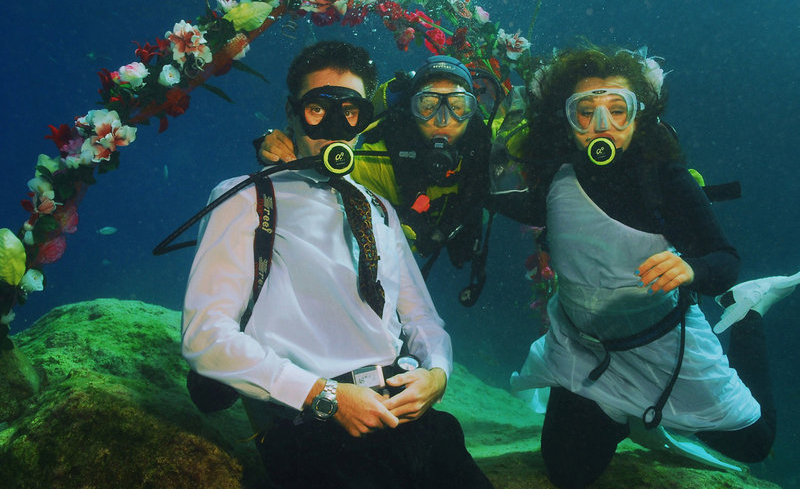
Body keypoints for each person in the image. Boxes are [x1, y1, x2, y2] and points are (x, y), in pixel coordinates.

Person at [182, 41, 493, 489]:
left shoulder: (380, 209)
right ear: (291, 113)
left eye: (349, 112)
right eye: (317, 110)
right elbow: (205, 336)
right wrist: (323, 396)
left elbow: (422, 318)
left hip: (410, 419)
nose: (333, 127)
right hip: (313, 430)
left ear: (366, 118)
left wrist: (437, 376)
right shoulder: (246, 198)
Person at [509, 46, 792, 488]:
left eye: (617, 110)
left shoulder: (664, 179)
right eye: (585, 111)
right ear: (566, 119)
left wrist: (692, 270)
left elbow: (725, 259)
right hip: (585, 351)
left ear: (639, 117)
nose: (602, 124)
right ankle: (631, 419)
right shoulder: (551, 176)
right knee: (567, 474)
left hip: (663, 343)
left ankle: (749, 312)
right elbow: (486, 196)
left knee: (755, 444)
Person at [258, 55, 492, 301]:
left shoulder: (489, 145)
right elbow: (320, 167)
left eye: (457, 106)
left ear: (472, 109)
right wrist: (284, 145)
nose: (443, 120)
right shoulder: (378, 160)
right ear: (411, 109)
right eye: (427, 105)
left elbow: (516, 141)